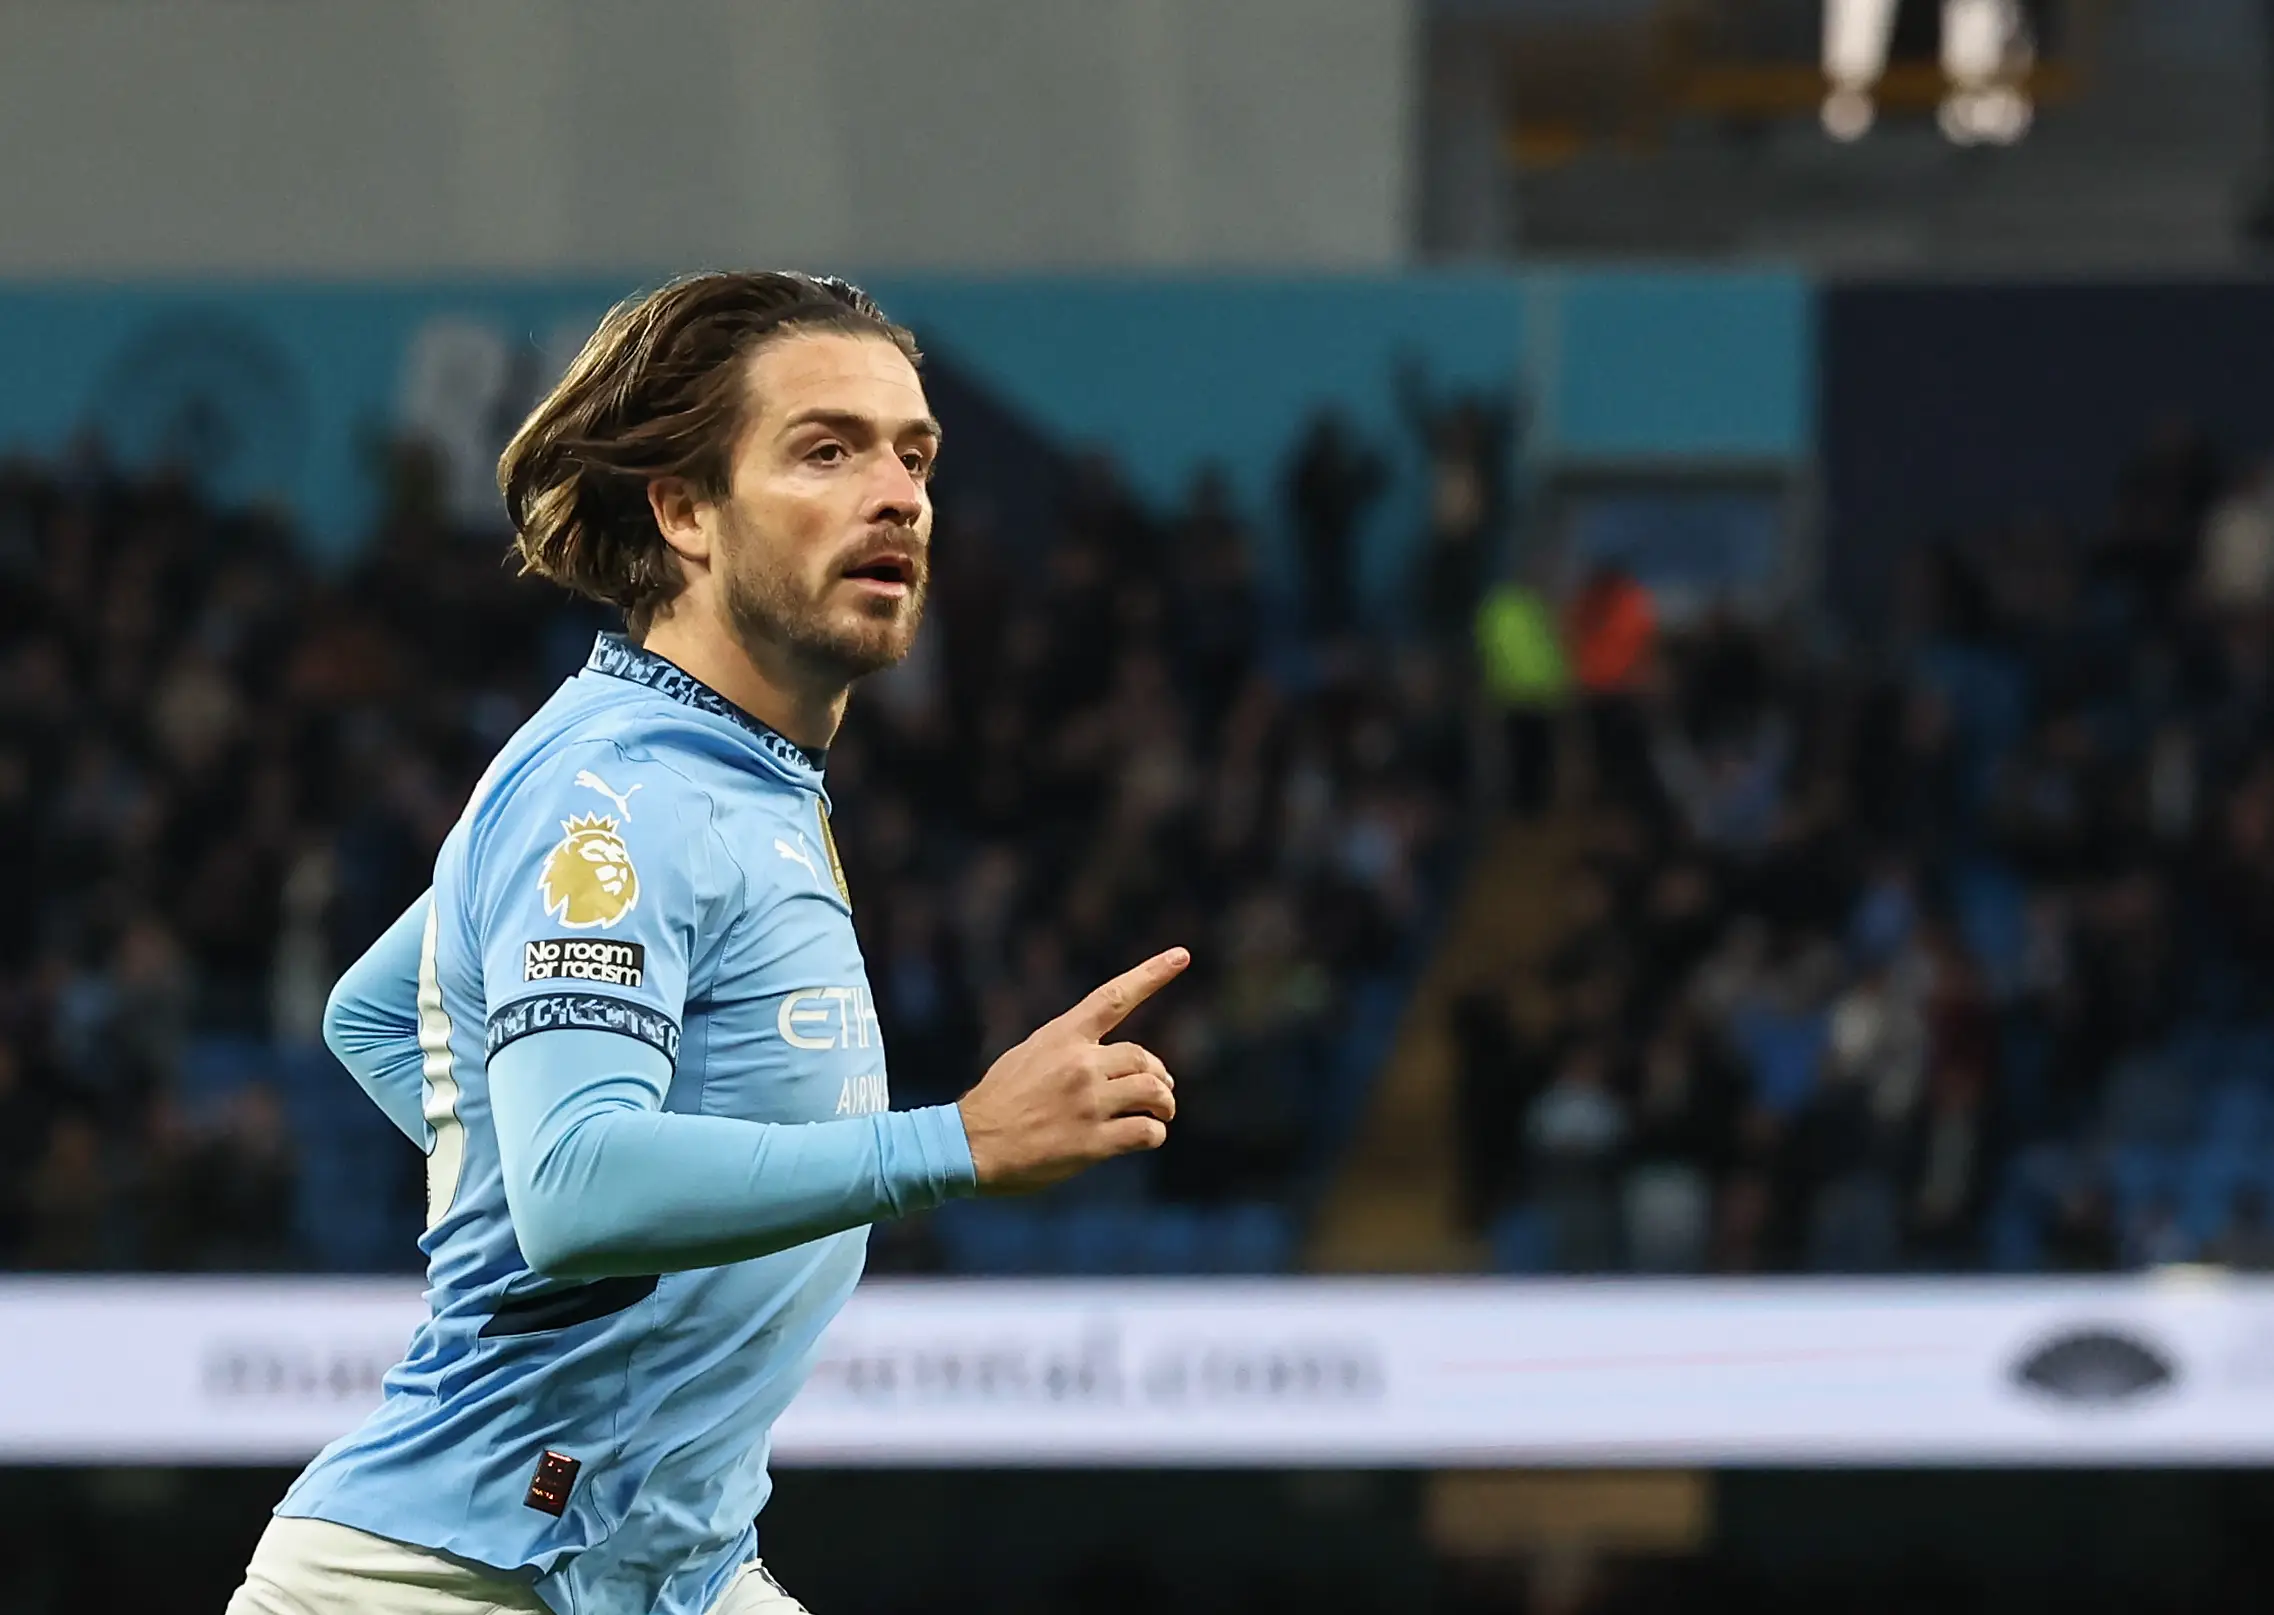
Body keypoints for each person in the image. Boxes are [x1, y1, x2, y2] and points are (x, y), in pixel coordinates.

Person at [226, 272, 1187, 1615]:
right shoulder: (617, 792)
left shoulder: (726, 776)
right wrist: (957, 1140)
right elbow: (570, 1186)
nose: (897, 491)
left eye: (913, 454)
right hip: (452, 1575)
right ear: (681, 508)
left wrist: (548, 1208)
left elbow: (381, 1015)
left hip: (668, 1563)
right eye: (827, 449)